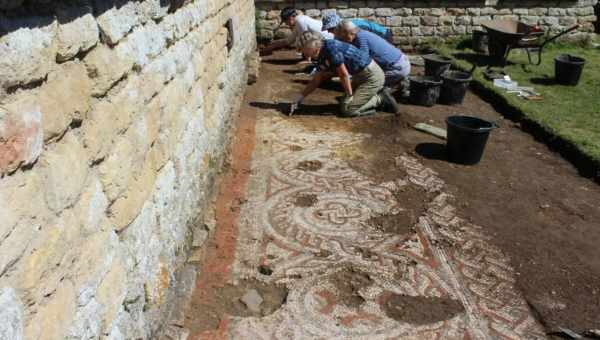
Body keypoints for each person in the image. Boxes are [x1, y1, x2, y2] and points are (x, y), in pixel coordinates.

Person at [291, 32, 400, 117]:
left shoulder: (330, 48)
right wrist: (300, 98)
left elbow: (343, 74)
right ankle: (370, 96)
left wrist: (349, 95)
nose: (303, 53)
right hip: (360, 76)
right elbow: (316, 80)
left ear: (311, 47)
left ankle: (380, 98)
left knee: (348, 110)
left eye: (304, 50)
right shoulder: (320, 54)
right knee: (343, 103)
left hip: (371, 76)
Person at [337, 20, 411, 93]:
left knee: (365, 84)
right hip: (401, 62)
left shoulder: (360, 38)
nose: (343, 40)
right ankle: (396, 83)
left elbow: (362, 62)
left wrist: (350, 76)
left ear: (350, 33)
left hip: (397, 67)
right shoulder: (362, 34)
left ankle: (393, 88)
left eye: (342, 37)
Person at [261, 7, 333, 55]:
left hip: (327, 42)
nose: (286, 24)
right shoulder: (299, 20)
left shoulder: (300, 22)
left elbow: (306, 41)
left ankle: (309, 60)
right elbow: (288, 41)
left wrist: (306, 59)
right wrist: (273, 44)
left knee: (303, 47)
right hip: (324, 40)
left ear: (290, 18)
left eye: (285, 21)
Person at [322, 13, 392, 42]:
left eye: (329, 29)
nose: (328, 32)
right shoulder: (342, 30)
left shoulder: (354, 26)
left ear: (335, 26)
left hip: (383, 35)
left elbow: (368, 39)